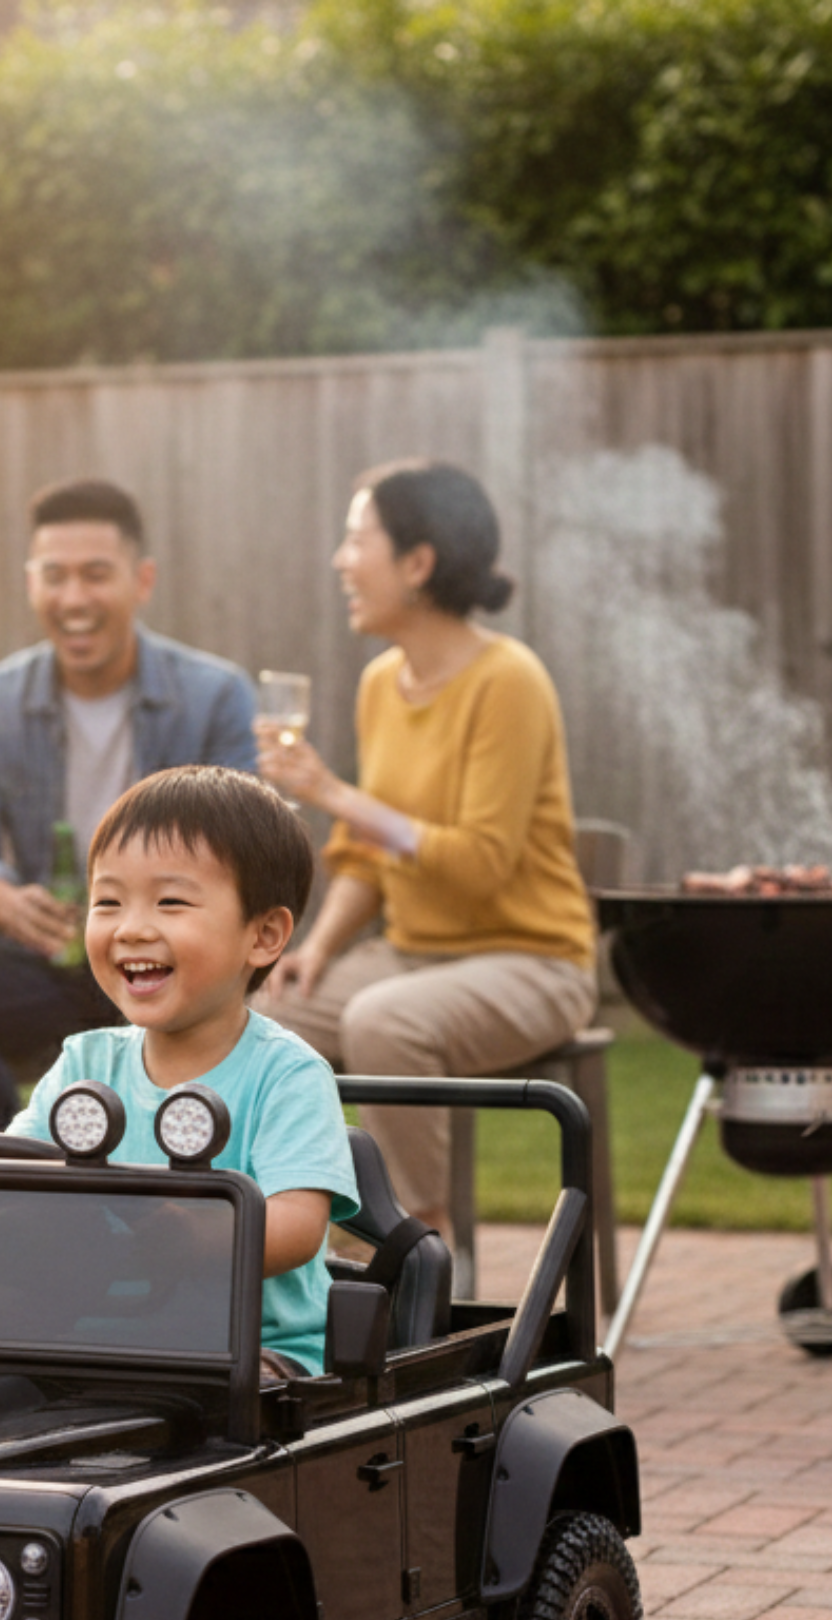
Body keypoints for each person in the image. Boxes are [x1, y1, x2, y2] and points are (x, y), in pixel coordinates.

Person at [258, 459, 596, 1234]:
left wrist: (335, 792)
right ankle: (279, 1240)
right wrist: (317, 948)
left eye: (357, 542)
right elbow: (369, 853)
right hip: (410, 955)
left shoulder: (508, 680)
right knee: (259, 1014)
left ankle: (416, 1254)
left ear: (417, 563)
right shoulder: (382, 682)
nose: (342, 562)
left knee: (383, 1023)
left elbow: (480, 865)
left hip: (531, 959)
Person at [0, 478, 259, 1134]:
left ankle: (151, 1185)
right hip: (48, 950)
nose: (74, 599)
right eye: (54, 577)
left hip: (168, 952)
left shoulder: (215, 694)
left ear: (141, 581)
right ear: (31, 583)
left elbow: (248, 850)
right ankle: (22, 1171)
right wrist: (0, 899)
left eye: (96, 576)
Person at [10, 766, 358, 1377]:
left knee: (221, 1409)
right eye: (107, 901)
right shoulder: (84, 1064)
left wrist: (190, 1240)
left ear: (264, 935)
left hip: (253, 1353)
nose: (132, 927)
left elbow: (297, 1228)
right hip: (87, 1341)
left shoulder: (287, 1076)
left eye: (170, 902)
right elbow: (10, 1173)